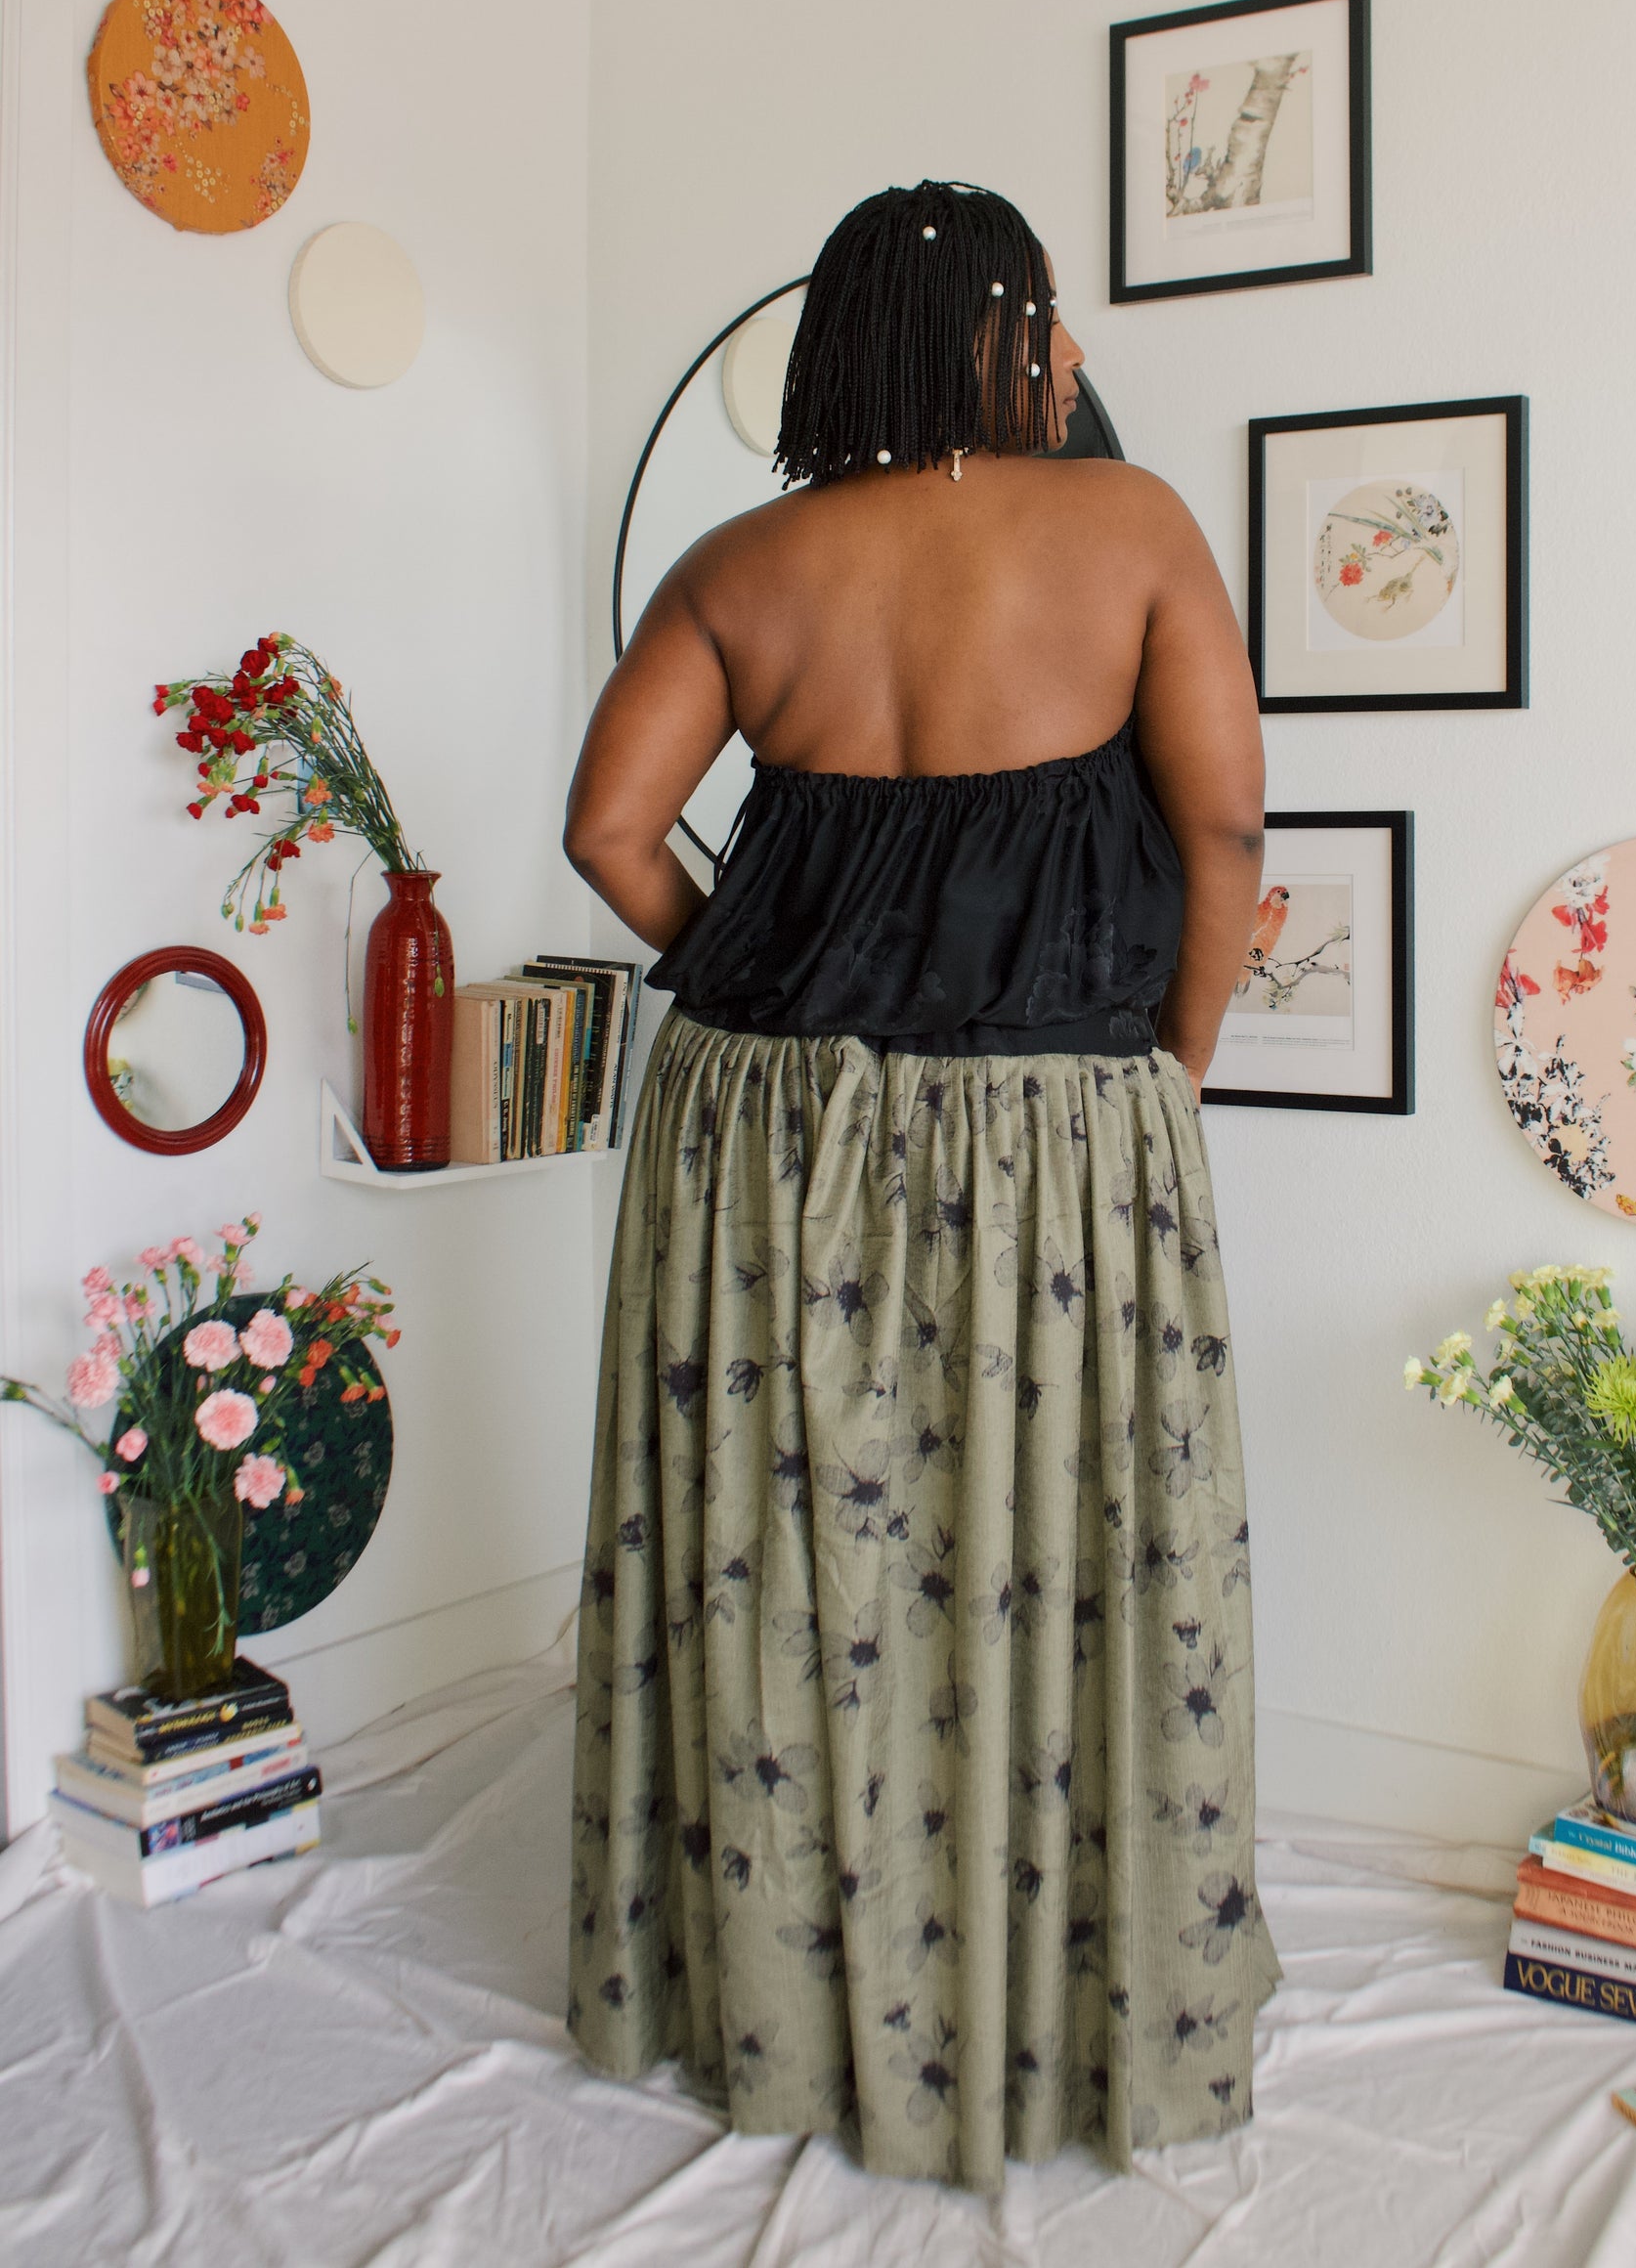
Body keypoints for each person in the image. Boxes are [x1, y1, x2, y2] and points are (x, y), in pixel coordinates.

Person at [562, 180, 1277, 2191]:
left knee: (781, 1537)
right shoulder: (1130, 527)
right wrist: (1174, 1060)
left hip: (761, 1123)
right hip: (1053, 1118)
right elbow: (1224, 830)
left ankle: (781, 1995)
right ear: (1013, 334)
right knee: (1068, 1524)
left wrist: (773, 972)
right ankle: (1063, 1997)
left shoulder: (739, 561)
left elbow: (610, 833)